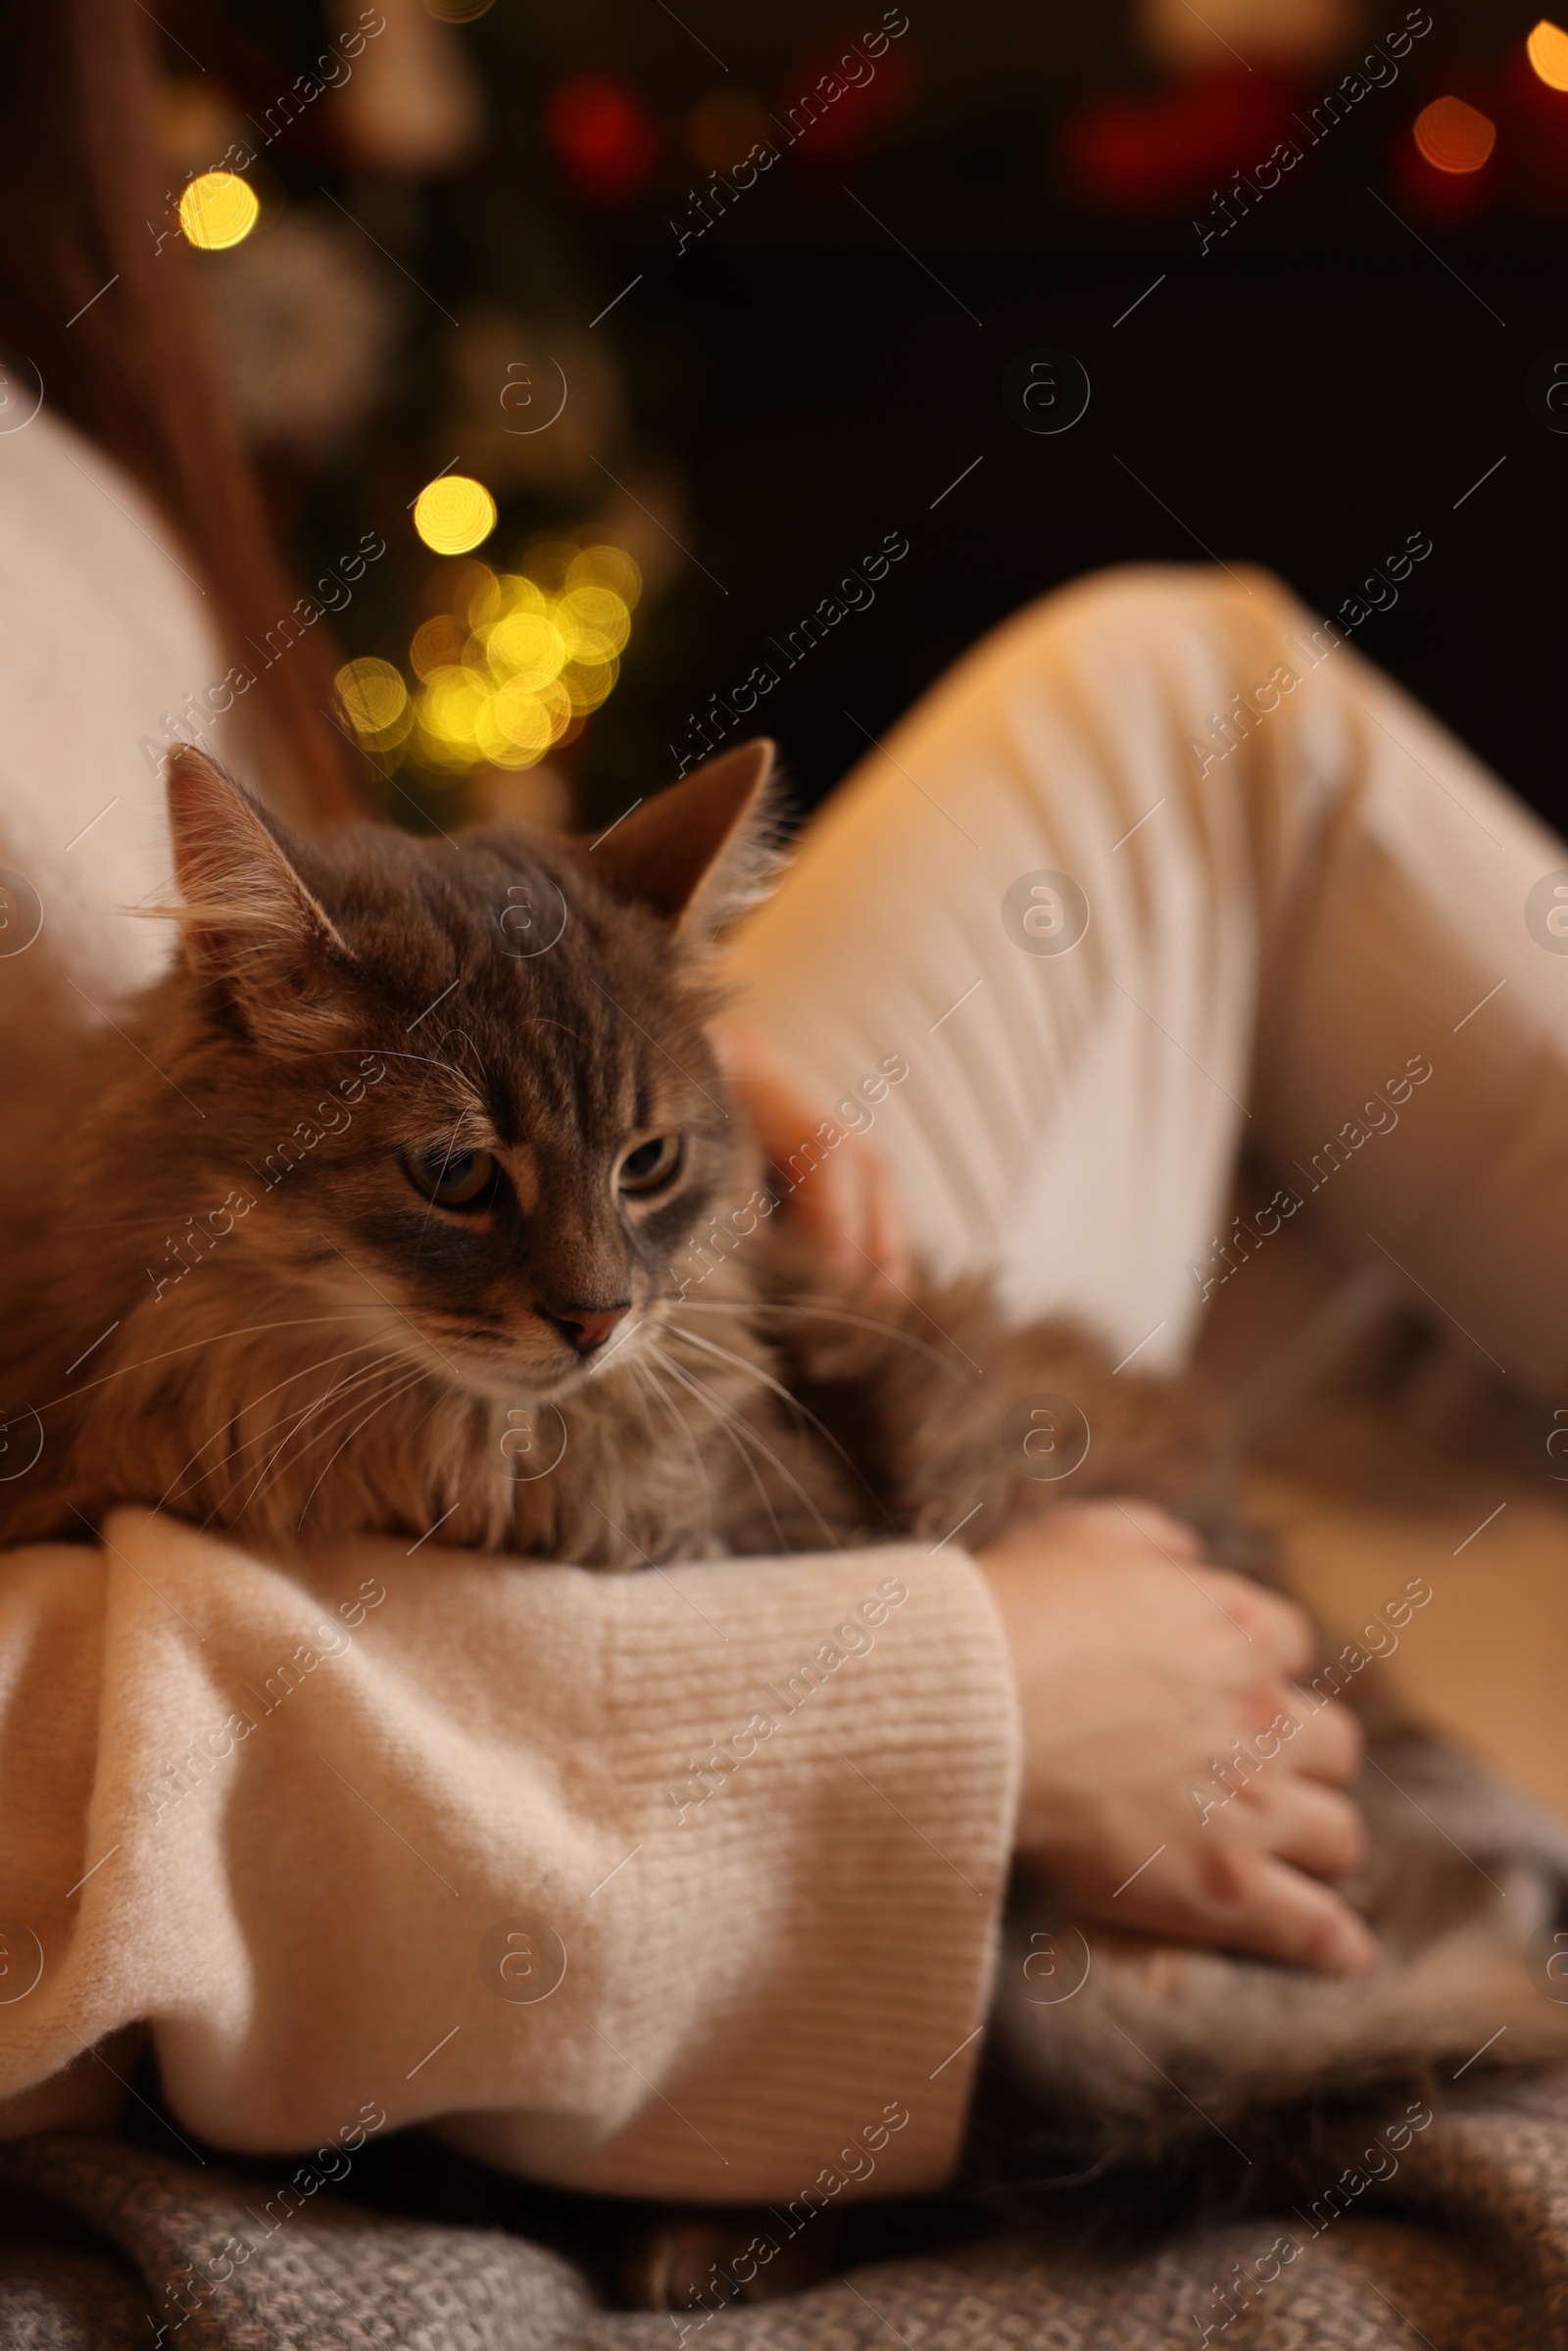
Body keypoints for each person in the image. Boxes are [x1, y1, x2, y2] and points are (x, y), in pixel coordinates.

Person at [1, 0, 1553, 2207]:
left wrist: (653, 1054)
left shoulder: (59, 350)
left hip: (434, 1251)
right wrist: (954, 1699)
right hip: (488, 1532)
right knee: (1204, 732)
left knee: (1184, 700)